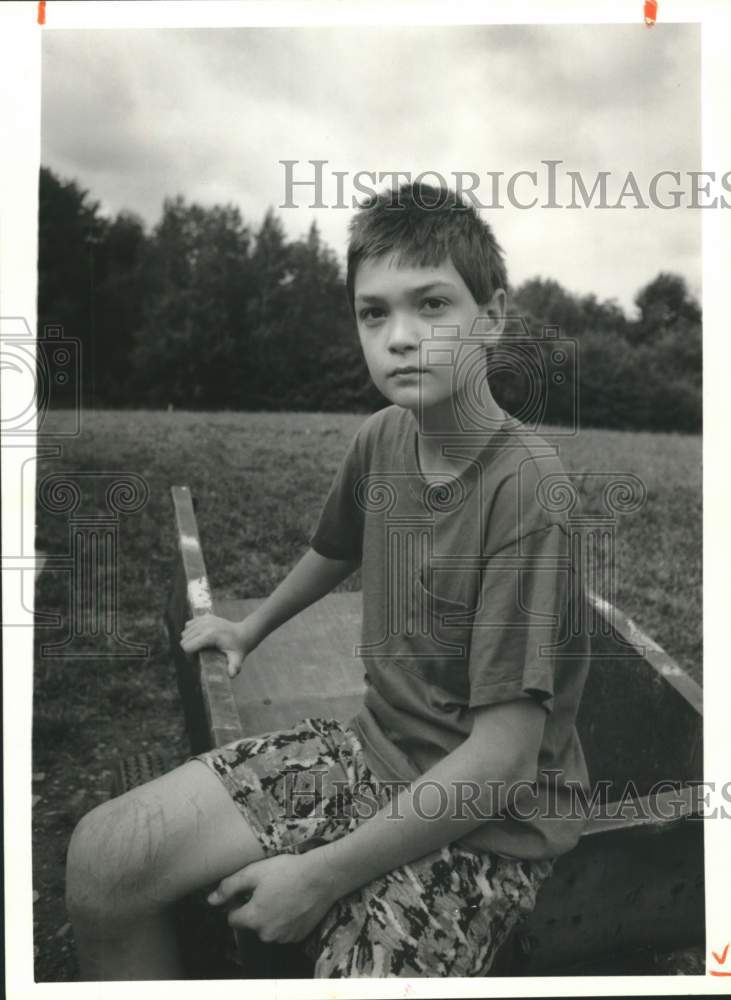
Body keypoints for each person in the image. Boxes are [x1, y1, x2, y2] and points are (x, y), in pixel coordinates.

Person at [65, 181, 590, 980]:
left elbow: (500, 763)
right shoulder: (384, 438)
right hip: (373, 753)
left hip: (489, 827)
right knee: (107, 857)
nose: (400, 337)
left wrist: (317, 877)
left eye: (432, 306)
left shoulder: (528, 497)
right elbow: (336, 547)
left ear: (494, 315)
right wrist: (249, 628)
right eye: (374, 313)